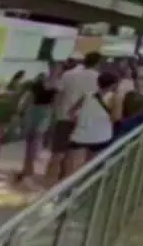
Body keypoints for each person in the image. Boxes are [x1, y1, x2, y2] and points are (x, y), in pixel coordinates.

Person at [44, 52, 102, 186]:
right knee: (73, 155)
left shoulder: (68, 74)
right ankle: (65, 185)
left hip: (63, 117)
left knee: (57, 153)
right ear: (98, 63)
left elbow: (58, 94)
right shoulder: (98, 78)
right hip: (82, 120)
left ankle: (47, 185)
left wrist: (54, 113)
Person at [14, 63, 60, 183]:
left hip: (35, 111)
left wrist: (21, 112)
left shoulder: (37, 85)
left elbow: (26, 100)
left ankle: (28, 167)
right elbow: (54, 104)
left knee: (32, 140)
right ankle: (28, 167)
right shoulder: (54, 87)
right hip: (43, 112)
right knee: (34, 139)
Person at [68, 72, 118, 171]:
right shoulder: (114, 98)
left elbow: (71, 111)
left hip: (81, 135)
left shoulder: (87, 94)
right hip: (101, 136)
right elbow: (116, 117)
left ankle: (70, 185)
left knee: (73, 167)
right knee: (91, 166)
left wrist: (80, 120)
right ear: (113, 85)